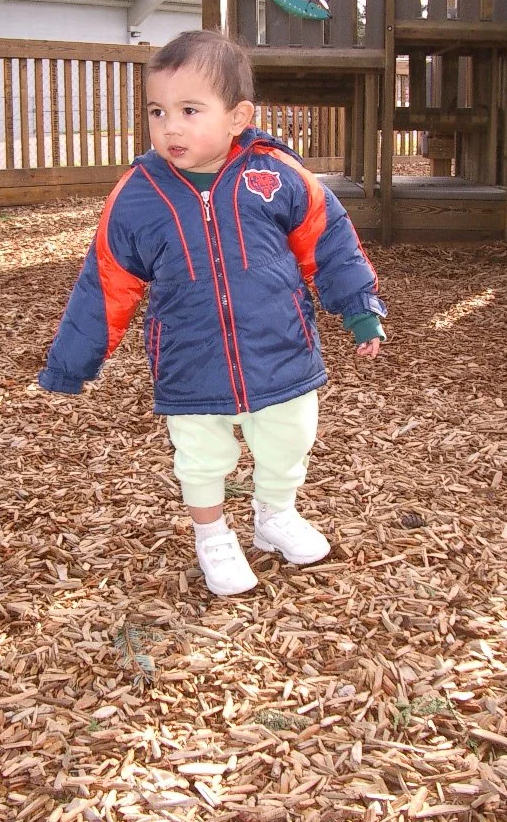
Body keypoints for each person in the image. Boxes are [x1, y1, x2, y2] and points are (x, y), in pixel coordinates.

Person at [38, 30, 386, 597]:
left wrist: (359, 308)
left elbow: (330, 243)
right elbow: (106, 280)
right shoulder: (139, 193)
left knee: (289, 439)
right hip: (190, 355)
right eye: (157, 111)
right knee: (201, 454)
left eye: (189, 110)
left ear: (237, 116)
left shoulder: (275, 176)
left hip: (280, 350)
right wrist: (71, 363)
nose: (169, 126)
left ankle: (275, 516)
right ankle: (212, 534)